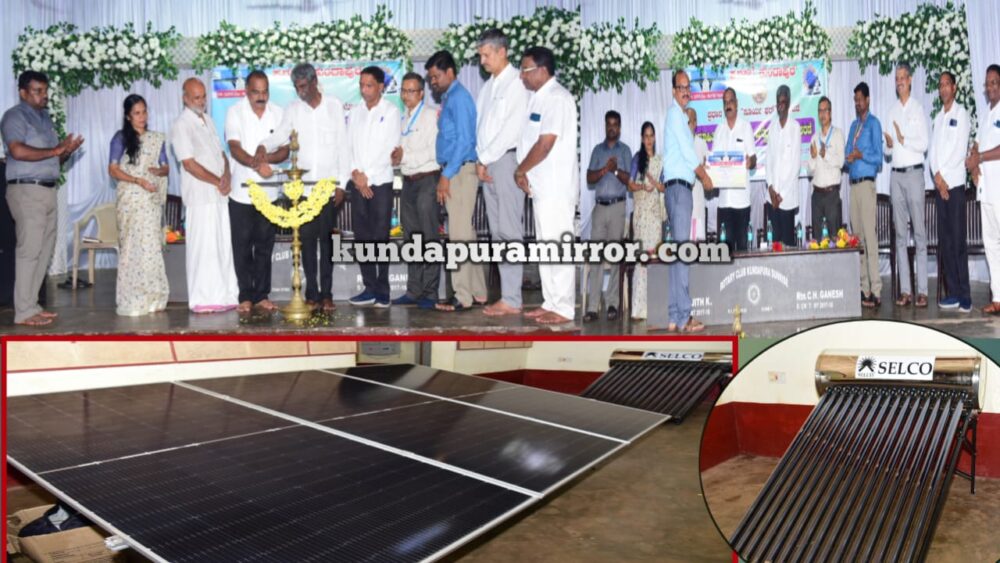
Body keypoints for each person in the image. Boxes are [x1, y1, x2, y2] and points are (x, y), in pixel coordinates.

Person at [258, 63, 349, 313]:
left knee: (327, 243)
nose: (300, 92)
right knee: (307, 242)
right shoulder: (293, 109)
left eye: (304, 86)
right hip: (303, 192)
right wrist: (263, 146)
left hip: (328, 189)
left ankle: (327, 294)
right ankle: (312, 294)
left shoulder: (334, 105)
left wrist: (341, 184)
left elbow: (343, 146)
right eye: (297, 87)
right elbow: (280, 135)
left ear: (314, 81)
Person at [2, 70, 84, 326]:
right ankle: (23, 311)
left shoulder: (45, 117)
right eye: (37, 91)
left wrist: (65, 151)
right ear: (23, 92)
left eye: (45, 90)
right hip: (27, 191)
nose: (43, 95)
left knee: (44, 250)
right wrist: (55, 149)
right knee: (29, 251)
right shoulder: (14, 116)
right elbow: (17, 150)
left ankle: (32, 304)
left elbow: (52, 157)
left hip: (48, 190)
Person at [515, 46, 578, 325]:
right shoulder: (537, 99)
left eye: (525, 70)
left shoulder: (557, 98)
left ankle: (564, 307)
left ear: (542, 70)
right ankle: (551, 301)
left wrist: (520, 169)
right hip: (541, 189)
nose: (521, 75)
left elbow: (545, 144)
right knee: (545, 247)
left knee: (557, 245)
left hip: (556, 188)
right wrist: (525, 172)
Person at [169, 77, 239, 313]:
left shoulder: (208, 120)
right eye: (196, 97)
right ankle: (203, 299)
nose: (201, 101)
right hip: (200, 198)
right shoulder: (181, 125)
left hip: (219, 196)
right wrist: (218, 181)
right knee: (204, 250)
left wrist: (227, 175)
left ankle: (225, 296)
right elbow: (189, 164)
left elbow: (221, 154)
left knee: (222, 247)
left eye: (203, 97)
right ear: (185, 98)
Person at [475, 28, 531, 318]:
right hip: (488, 165)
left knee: (509, 232)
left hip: (508, 162)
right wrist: (481, 160)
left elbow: (511, 130)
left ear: (502, 52)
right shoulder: (488, 87)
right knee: (497, 234)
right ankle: (508, 296)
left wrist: (484, 158)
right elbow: (481, 128)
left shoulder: (516, 84)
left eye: (486, 55)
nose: (482, 60)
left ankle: (512, 298)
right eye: (480, 55)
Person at [426, 50, 486, 312]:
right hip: (457, 170)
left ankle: (462, 296)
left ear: (450, 72)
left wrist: (446, 175)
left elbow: (464, 140)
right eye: (430, 78)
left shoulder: (459, 98)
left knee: (459, 237)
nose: (433, 82)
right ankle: (478, 292)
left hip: (458, 171)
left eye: (436, 76)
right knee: (466, 234)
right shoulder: (451, 97)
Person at [224, 70, 287, 314]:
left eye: (265, 92)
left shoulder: (278, 113)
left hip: (269, 194)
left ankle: (261, 295)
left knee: (264, 246)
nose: (261, 97)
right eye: (256, 92)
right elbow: (234, 147)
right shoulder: (235, 112)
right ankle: (245, 296)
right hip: (241, 193)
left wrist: (266, 160)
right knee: (242, 246)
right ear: (246, 91)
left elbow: (285, 150)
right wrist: (255, 164)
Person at [107, 94, 169, 316]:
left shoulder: (156, 139)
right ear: (128, 116)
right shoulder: (120, 138)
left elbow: (166, 167)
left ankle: (154, 297)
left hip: (150, 198)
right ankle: (132, 297)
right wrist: (137, 180)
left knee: (150, 247)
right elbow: (113, 169)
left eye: (144, 112)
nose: (142, 117)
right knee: (132, 248)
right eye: (137, 113)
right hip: (131, 199)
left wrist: (158, 171)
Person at [662, 70, 713, 332]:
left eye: (687, 87)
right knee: (682, 254)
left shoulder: (679, 116)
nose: (685, 91)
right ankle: (684, 317)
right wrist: (705, 176)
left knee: (676, 253)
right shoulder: (675, 115)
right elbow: (687, 151)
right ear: (673, 90)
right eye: (680, 87)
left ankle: (674, 315)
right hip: (680, 191)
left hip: (675, 189)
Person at [346, 66, 401, 308]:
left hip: (380, 183)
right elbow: (347, 146)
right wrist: (356, 174)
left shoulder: (391, 112)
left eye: (369, 85)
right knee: (362, 237)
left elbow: (389, 149)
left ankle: (383, 291)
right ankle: (368, 288)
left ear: (381, 86)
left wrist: (367, 176)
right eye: (361, 85)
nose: (364, 90)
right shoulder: (355, 112)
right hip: (358, 184)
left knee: (380, 237)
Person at [392, 72, 441, 309]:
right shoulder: (403, 119)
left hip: (428, 180)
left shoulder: (431, 116)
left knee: (429, 237)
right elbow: (401, 154)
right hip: (408, 181)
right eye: (403, 90)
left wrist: (405, 156)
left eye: (411, 91)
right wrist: (396, 157)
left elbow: (435, 152)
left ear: (421, 93)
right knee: (411, 238)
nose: (406, 95)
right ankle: (413, 290)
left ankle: (430, 292)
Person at [884, 63, 931, 308]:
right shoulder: (891, 111)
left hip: (914, 174)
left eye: (903, 77)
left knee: (919, 234)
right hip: (896, 176)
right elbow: (887, 151)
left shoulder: (918, 108)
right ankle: (906, 291)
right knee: (900, 235)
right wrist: (890, 144)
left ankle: (922, 290)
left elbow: (924, 144)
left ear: (910, 80)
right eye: (897, 78)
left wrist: (904, 139)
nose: (899, 81)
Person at [584, 110, 631, 323]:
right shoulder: (597, 150)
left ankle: (612, 303)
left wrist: (615, 170)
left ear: (619, 128)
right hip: (599, 209)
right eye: (609, 124)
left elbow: (629, 180)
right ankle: (593, 306)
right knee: (595, 256)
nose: (612, 127)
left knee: (615, 256)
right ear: (605, 126)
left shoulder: (625, 150)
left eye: (615, 124)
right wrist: (605, 169)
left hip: (618, 207)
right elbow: (589, 178)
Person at [930, 71, 971, 312]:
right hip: (940, 186)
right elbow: (933, 152)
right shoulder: (938, 118)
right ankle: (952, 293)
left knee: (958, 241)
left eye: (947, 84)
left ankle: (965, 295)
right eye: (941, 85)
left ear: (954, 88)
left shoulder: (961, 114)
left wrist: (943, 178)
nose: (944, 88)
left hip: (954, 186)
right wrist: (937, 177)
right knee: (945, 241)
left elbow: (959, 150)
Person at [845, 81, 884, 308]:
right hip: (853, 186)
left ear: (867, 100)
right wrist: (848, 158)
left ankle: (876, 289)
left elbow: (879, 159)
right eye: (855, 100)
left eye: (860, 99)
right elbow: (846, 156)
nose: (857, 103)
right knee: (858, 240)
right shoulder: (853, 126)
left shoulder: (874, 124)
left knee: (870, 238)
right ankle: (864, 288)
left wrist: (861, 156)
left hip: (867, 185)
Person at [968, 64, 1000, 314]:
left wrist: (979, 158)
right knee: (991, 244)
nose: (990, 87)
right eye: (987, 83)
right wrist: (973, 166)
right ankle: (998, 297)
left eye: (994, 82)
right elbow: (976, 145)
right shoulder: (987, 114)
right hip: (986, 189)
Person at [712, 87, 757, 252]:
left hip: (741, 201)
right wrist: (709, 168)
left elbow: (754, 158)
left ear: (736, 103)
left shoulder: (746, 127)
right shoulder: (718, 130)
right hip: (724, 202)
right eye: (725, 102)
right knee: (724, 252)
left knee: (743, 250)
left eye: (731, 101)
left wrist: (750, 162)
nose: (728, 105)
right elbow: (715, 162)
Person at [626, 121, 663, 321]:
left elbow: (664, 187)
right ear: (642, 138)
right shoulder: (637, 159)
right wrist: (642, 187)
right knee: (642, 259)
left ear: (655, 138)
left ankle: (653, 307)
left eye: (651, 136)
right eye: (646, 136)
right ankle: (638, 309)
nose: (649, 140)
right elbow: (630, 185)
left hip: (655, 215)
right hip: (641, 215)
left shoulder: (659, 160)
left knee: (654, 258)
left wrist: (655, 183)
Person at [765, 84, 801, 247]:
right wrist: (771, 189)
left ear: (788, 103)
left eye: (783, 102)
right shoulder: (772, 127)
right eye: (778, 103)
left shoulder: (795, 128)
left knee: (787, 246)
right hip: (772, 199)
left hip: (786, 200)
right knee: (774, 245)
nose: (780, 106)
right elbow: (768, 160)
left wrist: (781, 195)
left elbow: (795, 166)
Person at [806, 96, 844, 243]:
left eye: (825, 110)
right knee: (817, 241)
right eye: (820, 111)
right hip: (816, 195)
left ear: (830, 112)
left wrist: (825, 154)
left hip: (831, 195)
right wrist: (813, 157)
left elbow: (841, 162)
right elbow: (809, 171)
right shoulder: (814, 137)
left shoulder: (837, 134)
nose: (822, 114)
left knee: (835, 239)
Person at [688, 107, 710, 241]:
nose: (686, 125)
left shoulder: (702, 144)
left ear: (695, 123)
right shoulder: (678, 145)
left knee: (698, 247)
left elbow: (707, 175)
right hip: (682, 207)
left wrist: (703, 171)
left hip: (697, 204)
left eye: (688, 122)